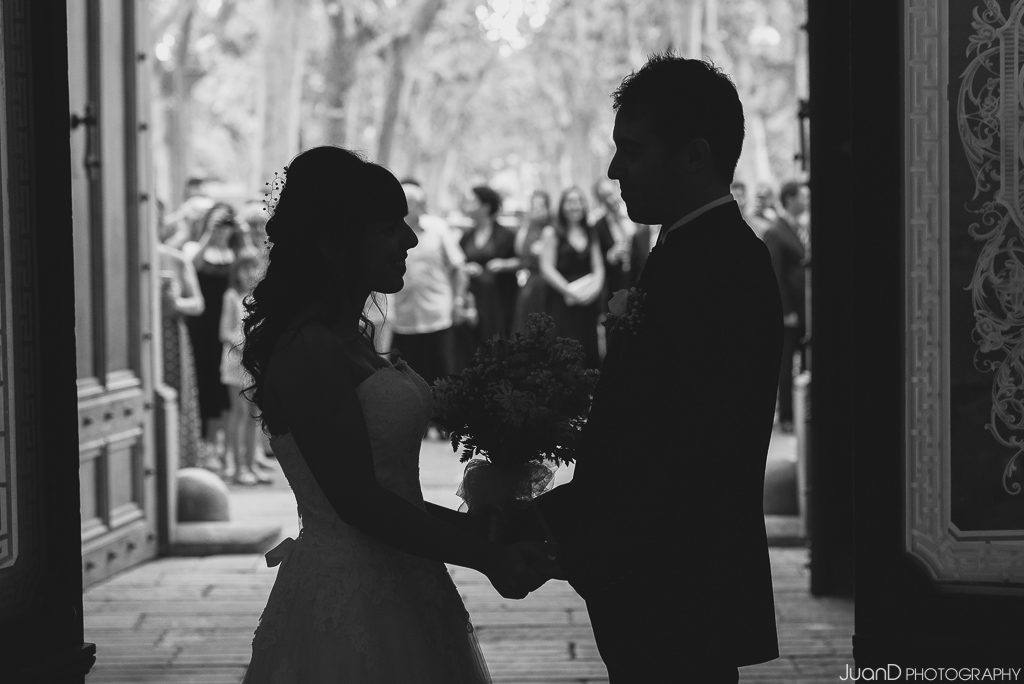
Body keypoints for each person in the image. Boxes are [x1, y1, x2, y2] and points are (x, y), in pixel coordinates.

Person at [239, 146, 552, 682]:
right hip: (351, 597)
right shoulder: (311, 348)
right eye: (389, 227)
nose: (409, 240)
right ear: (336, 242)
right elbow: (359, 503)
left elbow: (394, 496)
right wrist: (484, 556)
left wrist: (488, 531)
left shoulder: (349, 337)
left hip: (404, 576)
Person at [524, 53, 783, 682]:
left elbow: (674, 448)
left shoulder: (716, 267)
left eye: (631, 151)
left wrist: (547, 524)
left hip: (676, 579)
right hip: (663, 576)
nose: (613, 171)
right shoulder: (688, 250)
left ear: (694, 156)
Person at [388, 180, 465, 399]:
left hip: (438, 315)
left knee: (443, 373)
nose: (410, 207)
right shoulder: (390, 232)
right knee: (406, 377)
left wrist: (458, 302)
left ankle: (446, 425)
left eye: (413, 202)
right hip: (405, 318)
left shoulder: (438, 228)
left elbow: (458, 268)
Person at [183, 202, 240, 472]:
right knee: (203, 380)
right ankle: (202, 444)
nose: (222, 229)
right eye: (218, 223)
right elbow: (192, 266)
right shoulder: (195, 247)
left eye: (226, 223)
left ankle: (219, 445)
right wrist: (209, 234)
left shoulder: (235, 252)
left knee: (222, 388)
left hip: (226, 327)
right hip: (200, 327)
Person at [156, 199, 206, 469]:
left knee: (176, 397)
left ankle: (178, 462)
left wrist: (176, 304)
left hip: (170, 336)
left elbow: (198, 304)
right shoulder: (125, 256)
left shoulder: (175, 259)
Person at [220, 249, 271, 486]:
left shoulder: (257, 298)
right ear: (236, 271)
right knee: (240, 414)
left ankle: (251, 465)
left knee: (254, 415)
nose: (250, 273)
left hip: (254, 363)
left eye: (254, 268)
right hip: (235, 362)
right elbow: (225, 331)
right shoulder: (231, 296)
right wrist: (245, 346)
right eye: (245, 268)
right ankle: (238, 466)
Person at [538, 186, 604, 368]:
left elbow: (598, 267)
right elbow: (546, 268)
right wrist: (570, 292)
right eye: (570, 202)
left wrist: (593, 291)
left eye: (579, 201)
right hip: (561, 300)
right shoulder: (552, 233)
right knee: (564, 350)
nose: (575, 206)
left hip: (588, 300)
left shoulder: (591, 232)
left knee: (588, 347)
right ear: (561, 206)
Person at [763, 179, 809, 434]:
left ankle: (802, 411)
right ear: (790, 199)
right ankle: (787, 417)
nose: (807, 200)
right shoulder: (775, 231)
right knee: (785, 366)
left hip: (804, 311)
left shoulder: (799, 228)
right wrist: (786, 311)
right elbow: (775, 275)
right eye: (803, 196)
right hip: (788, 314)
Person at [456, 185, 518, 365]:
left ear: (485, 206)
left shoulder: (506, 235)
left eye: (472, 201)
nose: (467, 205)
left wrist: (504, 264)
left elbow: (521, 261)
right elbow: (459, 264)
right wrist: (467, 268)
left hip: (500, 301)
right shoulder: (466, 236)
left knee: (498, 347)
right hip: (474, 303)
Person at [511, 189, 554, 334]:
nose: (538, 211)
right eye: (534, 207)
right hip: (530, 281)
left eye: (542, 206)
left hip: (548, 282)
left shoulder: (553, 227)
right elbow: (520, 253)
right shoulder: (526, 228)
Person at [591, 178, 634, 310]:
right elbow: (595, 262)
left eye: (610, 193)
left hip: (640, 280)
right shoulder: (598, 226)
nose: (609, 200)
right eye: (604, 197)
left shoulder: (635, 214)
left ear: (617, 189)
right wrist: (610, 256)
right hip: (616, 287)